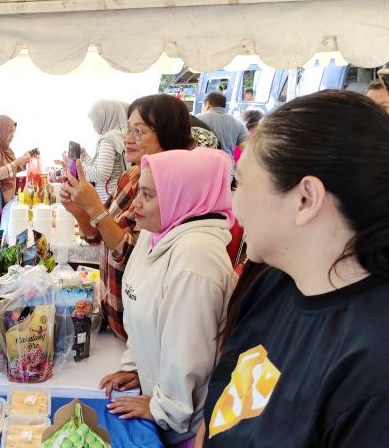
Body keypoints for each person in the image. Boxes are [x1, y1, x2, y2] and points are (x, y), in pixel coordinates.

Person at [201, 90, 389, 446]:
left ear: (306, 199)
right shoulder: (271, 282)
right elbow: (217, 414)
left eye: (241, 183)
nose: (233, 202)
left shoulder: (373, 370)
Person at [98, 147, 235, 448]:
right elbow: (140, 308)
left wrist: (164, 408)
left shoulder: (195, 259)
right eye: (139, 192)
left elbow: (189, 355)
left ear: (180, 197)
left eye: (147, 195)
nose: (136, 203)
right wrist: (135, 366)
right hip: (157, 397)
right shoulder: (156, 232)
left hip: (183, 428)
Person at [60, 94, 194, 340]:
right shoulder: (130, 176)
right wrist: (80, 211)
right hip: (115, 317)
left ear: (168, 134)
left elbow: (135, 255)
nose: (128, 139)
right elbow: (98, 236)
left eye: (139, 131)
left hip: (142, 331)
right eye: (127, 129)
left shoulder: (174, 189)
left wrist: (95, 208)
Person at [59, 99, 127, 203]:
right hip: (114, 197)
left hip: (108, 200)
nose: (93, 126)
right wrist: (83, 155)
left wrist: (73, 164)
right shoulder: (117, 136)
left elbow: (101, 175)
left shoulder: (108, 140)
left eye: (95, 121)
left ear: (104, 118)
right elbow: (99, 168)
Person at [196, 92, 248, 182]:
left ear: (207, 104)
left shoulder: (198, 119)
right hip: (227, 171)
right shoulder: (238, 123)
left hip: (203, 170)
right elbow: (248, 150)